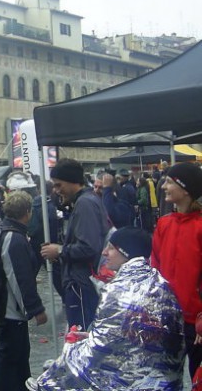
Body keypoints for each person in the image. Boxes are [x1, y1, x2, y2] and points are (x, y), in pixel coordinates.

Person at [29, 226, 184, 390]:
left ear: (126, 253)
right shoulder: (161, 285)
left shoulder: (119, 290)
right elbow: (137, 341)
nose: (104, 252)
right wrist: (92, 336)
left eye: (111, 248)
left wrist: (58, 369)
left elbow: (99, 351)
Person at [41, 158, 108, 331]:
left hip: (81, 284)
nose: (56, 191)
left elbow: (88, 247)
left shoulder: (85, 203)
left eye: (58, 185)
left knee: (81, 336)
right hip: (81, 282)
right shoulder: (85, 201)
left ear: (72, 182)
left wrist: (60, 250)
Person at [151, 161, 202, 379]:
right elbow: (155, 268)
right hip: (168, 318)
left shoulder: (199, 227)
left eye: (169, 182)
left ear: (185, 189)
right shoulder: (164, 224)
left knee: (197, 377)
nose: (163, 186)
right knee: (166, 379)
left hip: (196, 322)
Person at [0, 191, 47, 391]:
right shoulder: (14, 238)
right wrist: (35, 309)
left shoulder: (7, 231)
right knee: (10, 356)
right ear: (27, 212)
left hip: (8, 306)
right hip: (10, 309)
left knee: (17, 356)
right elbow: (19, 278)